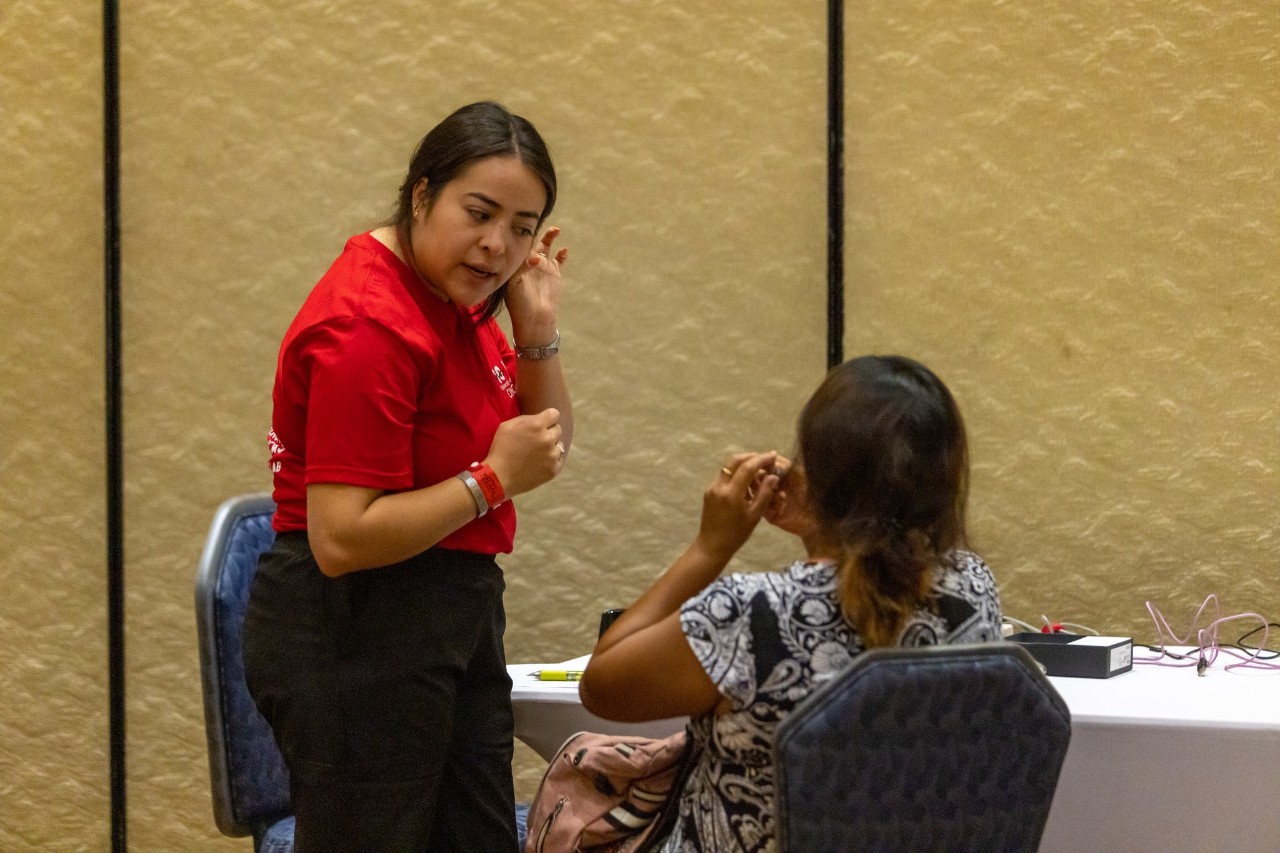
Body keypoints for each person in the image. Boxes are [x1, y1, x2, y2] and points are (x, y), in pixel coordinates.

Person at [243, 101, 571, 853]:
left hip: (451, 608)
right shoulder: (371, 321)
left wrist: (538, 333)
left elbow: (546, 447)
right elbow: (340, 537)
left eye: (522, 228)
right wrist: (492, 481)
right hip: (355, 623)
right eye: (479, 213)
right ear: (422, 194)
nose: (497, 246)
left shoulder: (456, 298)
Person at [579, 355, 1002, 853]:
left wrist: (711, 547)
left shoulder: (752, 614)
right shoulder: (974, 591)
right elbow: (864, 580)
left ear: (817, 475)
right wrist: (822, 526)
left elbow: (603, 686)